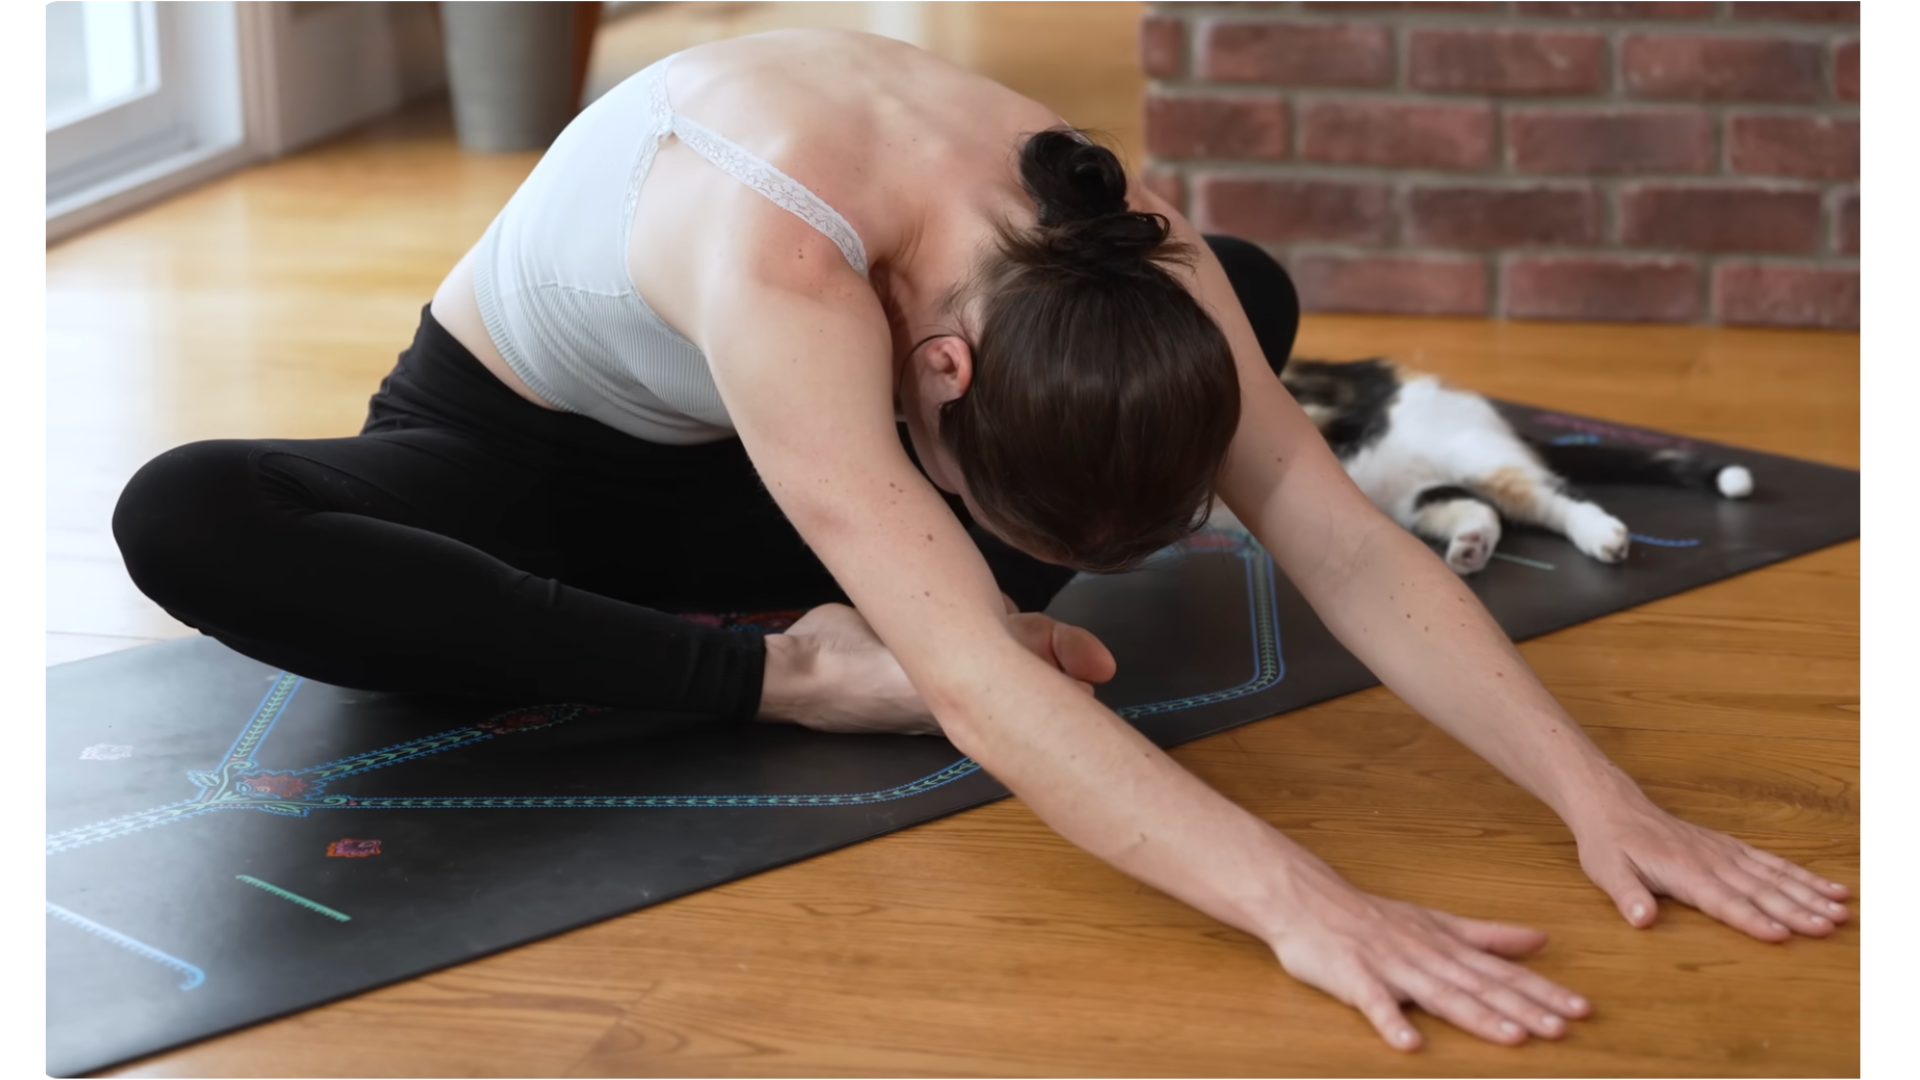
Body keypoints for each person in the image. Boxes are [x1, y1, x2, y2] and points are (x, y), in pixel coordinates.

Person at [111, 29, 1849, 1051]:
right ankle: (778, 661)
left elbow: (1339, 534)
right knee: (190, 514)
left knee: (1240, 303)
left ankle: (854, 584)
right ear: (935, 380)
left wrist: (1605, 800)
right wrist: (1304, 907)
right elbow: (978, 690)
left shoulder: (1123, 237)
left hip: (811, 470)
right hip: (525, 471)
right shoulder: (777, 250)